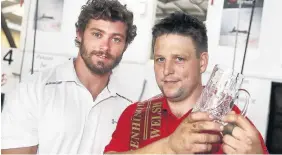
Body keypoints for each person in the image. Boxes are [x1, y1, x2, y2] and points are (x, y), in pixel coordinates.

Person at [104, 12, 268, 154]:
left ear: (202, 62)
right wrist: (169, 148)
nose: (167, 69)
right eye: (160, 59)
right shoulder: (136, 115)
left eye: (179, 59)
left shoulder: (231, 121)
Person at [1, 0, 137, 154]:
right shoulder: (34, 90)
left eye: (116, 39)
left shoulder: (131, 107)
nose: (105, 47)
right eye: (97, 34)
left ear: (125, 46)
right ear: (79, 35)